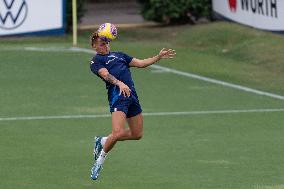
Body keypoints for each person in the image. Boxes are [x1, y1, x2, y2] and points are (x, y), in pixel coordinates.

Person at [89, 31, 176, 180]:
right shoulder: (96, 61)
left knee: (137, 134)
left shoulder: (120, 55)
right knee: (117, 133)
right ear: (94, 46)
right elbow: (105, 75)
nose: (105, 45)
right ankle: (99, 160)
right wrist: (119, 83)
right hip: (118, 97)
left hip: (132, 96)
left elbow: (141, 63)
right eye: (102, 44)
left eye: (106, 42)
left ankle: (102, 140)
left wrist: (158, 57)